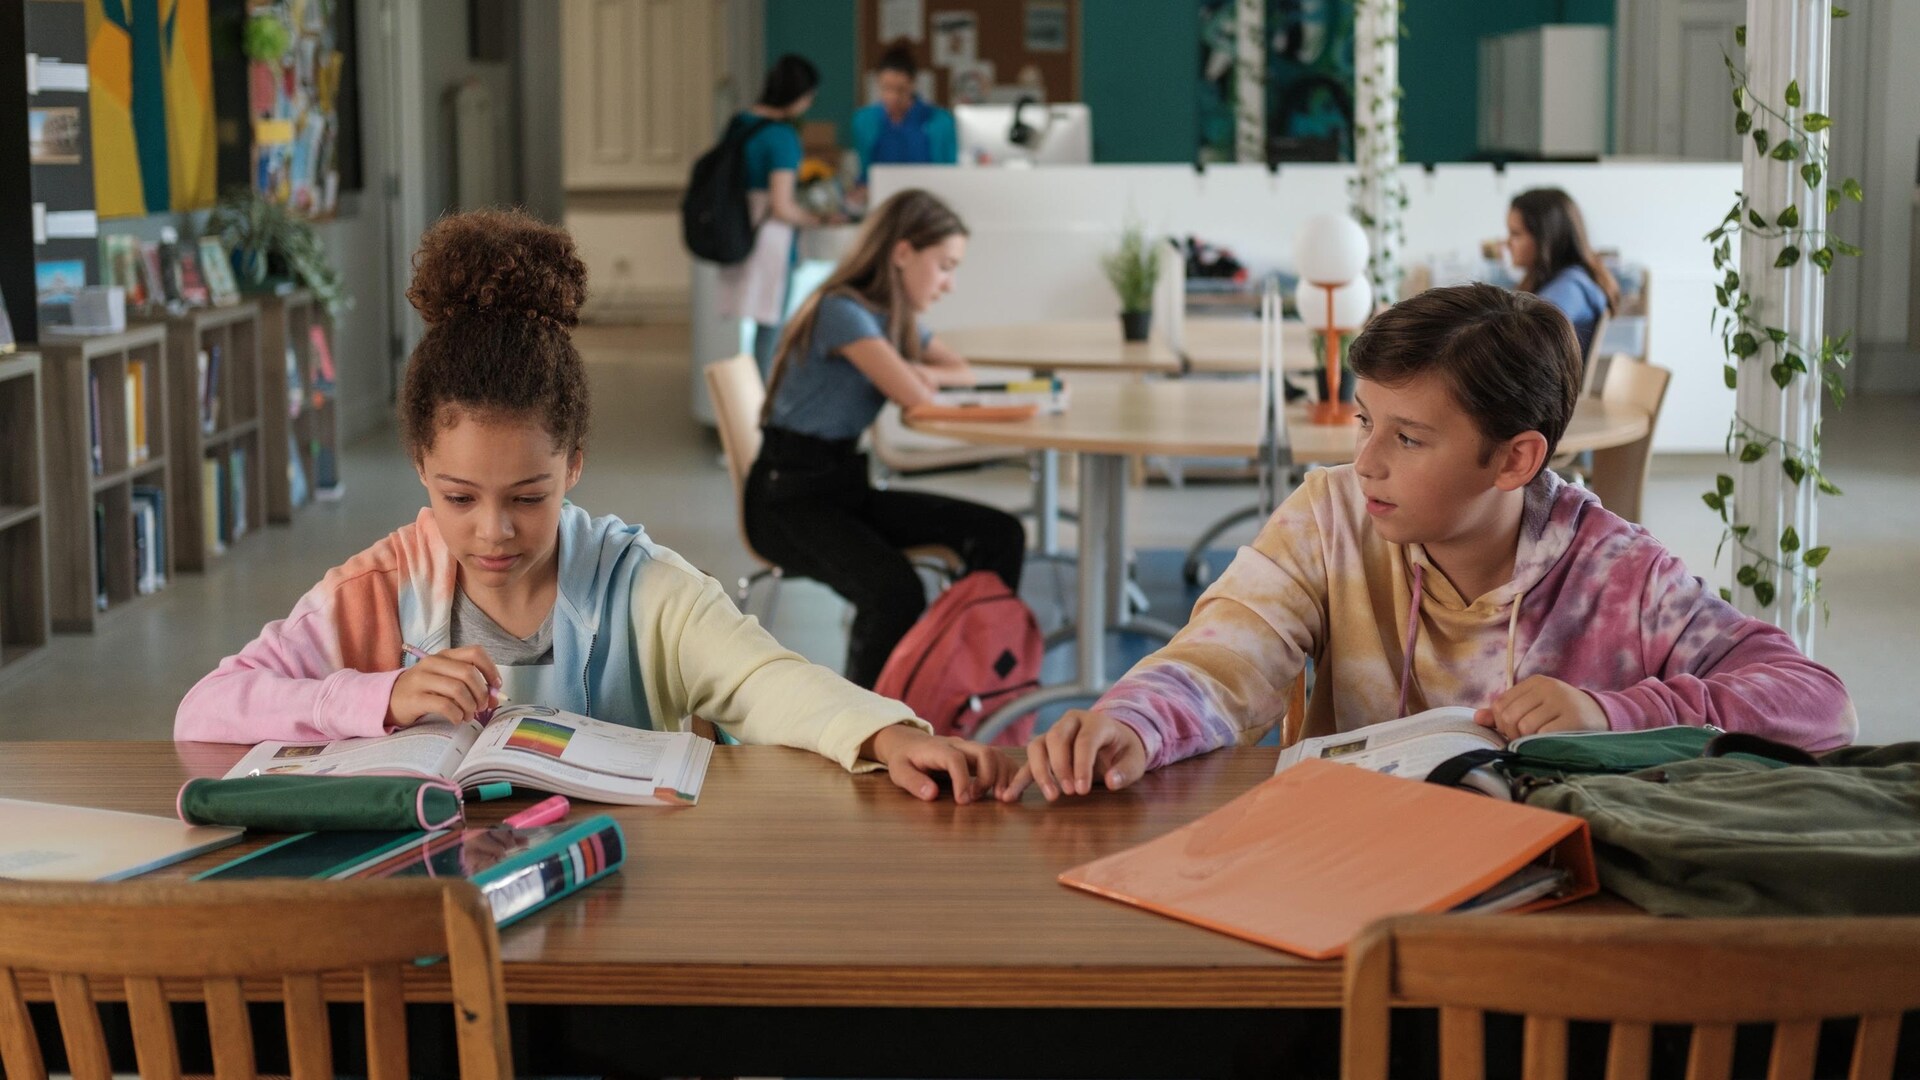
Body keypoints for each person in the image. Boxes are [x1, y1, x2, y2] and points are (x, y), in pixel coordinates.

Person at [176, 209, 1012, 805]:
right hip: (429, 921)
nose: (492, 530)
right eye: (458, 497)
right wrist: (375, 697)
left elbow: (768, 680)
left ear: (574, 466)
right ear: (418, 465)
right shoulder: (371, 590)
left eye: (528, 497)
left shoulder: (645, 587)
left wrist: (887, 734)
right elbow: (206, 708)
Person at [1005, 284, 1855, 801]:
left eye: (1407, 439)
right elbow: (1224, 658)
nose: (1364, 462)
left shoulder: (1617, 571)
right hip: (1351, 879)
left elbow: (1818, 706)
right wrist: (1133, 723)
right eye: (1365, 421)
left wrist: (1615, 713)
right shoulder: (1332, 512)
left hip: (1542, 905)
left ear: (1516, 458)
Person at [743, 189, 1026, 690]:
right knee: (894, 593)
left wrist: (909, 366)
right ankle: (867, 729)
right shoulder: (842, 311)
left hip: (842, 489)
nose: (949, 284)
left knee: (1001, 533)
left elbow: (958, 371)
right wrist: (912, 371)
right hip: (787, 499)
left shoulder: (891, 323)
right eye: (944, 266)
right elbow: (913, 392)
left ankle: (965, 682)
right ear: (902, 254)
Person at [718, 53, 836, 383]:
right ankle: (762, 405)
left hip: (737, 229)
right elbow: (783, 207)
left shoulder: (739, 123)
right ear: (799, 96)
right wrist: (820, 219)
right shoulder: (782, 138)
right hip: (768, 240)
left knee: (753, 326)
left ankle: (746, 401)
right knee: (769, 330)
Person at [1505, 187, 1620, 362]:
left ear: (1545, 239)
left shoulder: (1569, 288)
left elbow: (1521, 347)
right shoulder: (1570, 281)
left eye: (1516, 234)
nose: (1507, 242)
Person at [850, 41, 957, 187]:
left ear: (913, 84)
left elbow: (949, 174)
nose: (892, 97)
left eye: (900, 90)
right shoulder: (864, 121)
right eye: (886, 88)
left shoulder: (940, 121)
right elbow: (865, 173)